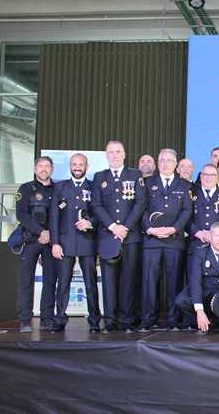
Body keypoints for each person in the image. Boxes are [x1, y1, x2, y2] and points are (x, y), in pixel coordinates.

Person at [91, 140, 146, 333]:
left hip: (130, 238)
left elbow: (140, 204)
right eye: (111, 152)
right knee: (108, 281)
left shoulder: (135, 175)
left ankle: (125, 321)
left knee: (128, 279)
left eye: (118, 152)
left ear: (124, 154)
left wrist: (125, 228)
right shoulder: (99, 177)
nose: (114, 155)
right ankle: (109, 321)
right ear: (106, 155)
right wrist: (113, 226)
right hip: (108, 237)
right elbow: (96, 205)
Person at [140, 148, 192, 332]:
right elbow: (141, 208)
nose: (165, 163)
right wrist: (150, 229)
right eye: (161, 160)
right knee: (149, 282)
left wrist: (174, 228)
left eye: (169, 160)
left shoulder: (185, 185)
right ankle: (148, 318)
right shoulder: (146, 183)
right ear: (157, 162)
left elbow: (187, 211)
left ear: (176, 164)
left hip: (174, 240)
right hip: (151, 240)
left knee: (174, 282)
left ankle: (173, 318)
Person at [48, 153, 101, 332]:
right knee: (62, 284)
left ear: (87, 166)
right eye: (74, 164)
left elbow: (100, 212)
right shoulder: (60, 187)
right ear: (70, 166)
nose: (77, 167)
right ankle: (60, 319)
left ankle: (94, 320)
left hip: (88, 242)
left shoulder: (94, 187)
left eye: (81, 164)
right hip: (64, 243)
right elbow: (54, 217)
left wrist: (90, 222)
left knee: (90, 284)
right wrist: (55, 243)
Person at [175, 222, 219, 333]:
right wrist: (199, 310)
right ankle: (201, 321)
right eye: (217, 235)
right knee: (181, 300)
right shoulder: (200, 251)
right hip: (204, 290)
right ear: (210, 236)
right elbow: (195, 280)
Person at [15, 156, 56, 332]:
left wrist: (50, 234)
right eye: (40, 166)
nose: (44, 169)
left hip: (52, 242)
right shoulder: (25, 188)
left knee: (49, 281)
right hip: (31, 240)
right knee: (26, 281)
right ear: (35, 169)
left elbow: (61, 216)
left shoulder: (58, 189)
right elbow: (21, 215)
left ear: (52, 170)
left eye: (47, 166)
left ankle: (47, 318)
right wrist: (41, 232)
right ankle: (25, 319)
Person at [187, 164, 219, 267]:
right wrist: (198, 233)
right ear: (200, 176)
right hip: (196, 243)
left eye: (212, 175)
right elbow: (186, 217)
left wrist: (214, 234)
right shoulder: (191, 195)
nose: (208, 178)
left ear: (217, 177)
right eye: (205, 174)